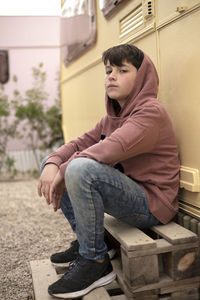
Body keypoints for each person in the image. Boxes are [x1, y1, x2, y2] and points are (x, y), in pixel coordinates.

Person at [38, 44, 180, 299]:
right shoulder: (110, 119)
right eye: (108, 70)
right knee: (61, 163)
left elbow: (112, 148)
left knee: (79, 168)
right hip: (130, 195)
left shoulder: (150, 112)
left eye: (122, 70)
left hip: (153, 204)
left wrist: (65, 169)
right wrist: (52, 164)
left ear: (142, 78)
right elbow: (78, 144)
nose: (111, 76)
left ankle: (95, 262)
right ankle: (89, 242)